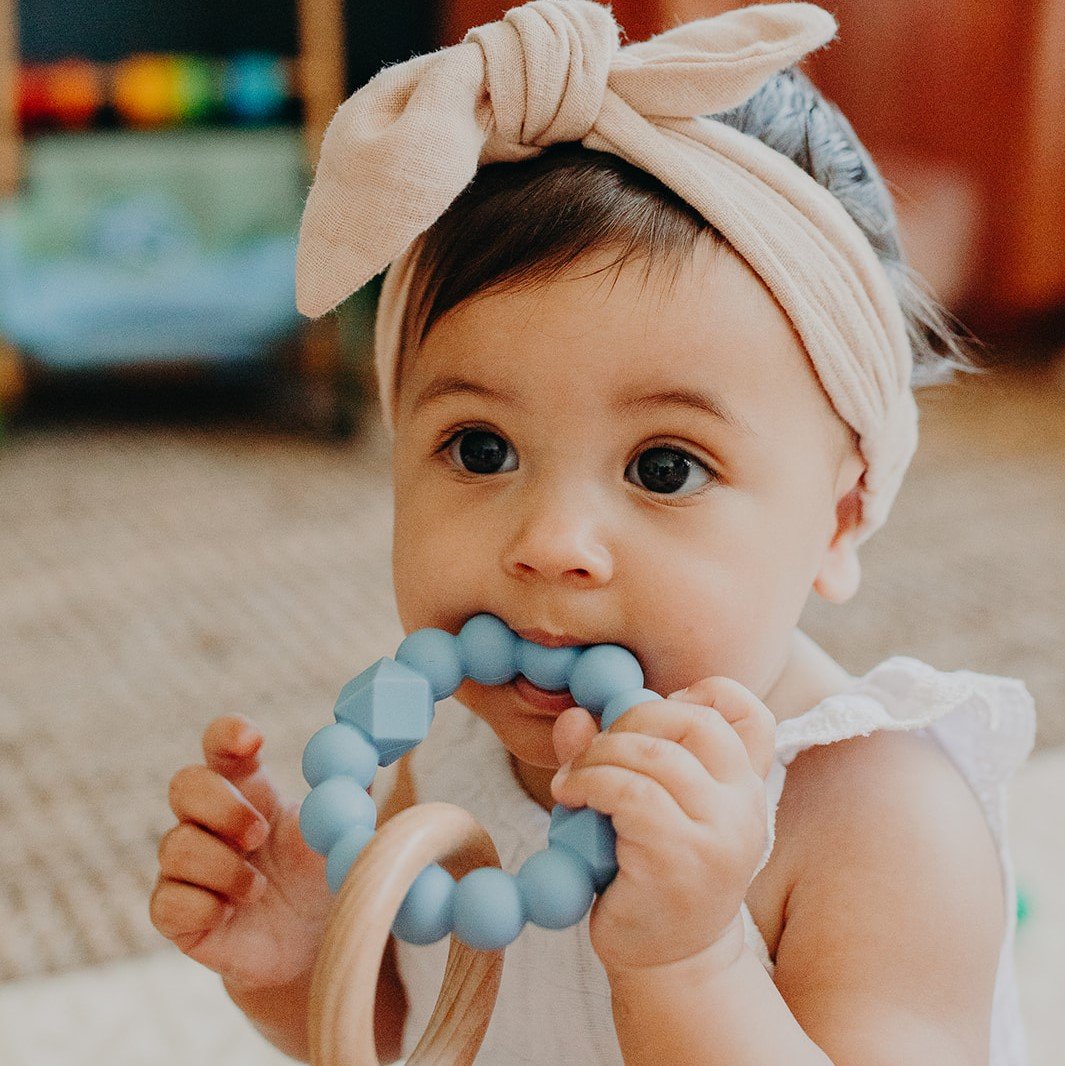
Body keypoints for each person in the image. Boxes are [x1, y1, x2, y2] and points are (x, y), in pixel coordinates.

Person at [149, 3, 1036, 1062]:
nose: (552, 542)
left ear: (839, 520)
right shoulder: (442, 759)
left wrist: (688, 962)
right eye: (481, 449)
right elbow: (433, 1032)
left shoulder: (877, 820)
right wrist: (301, 965)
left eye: (666, 467)